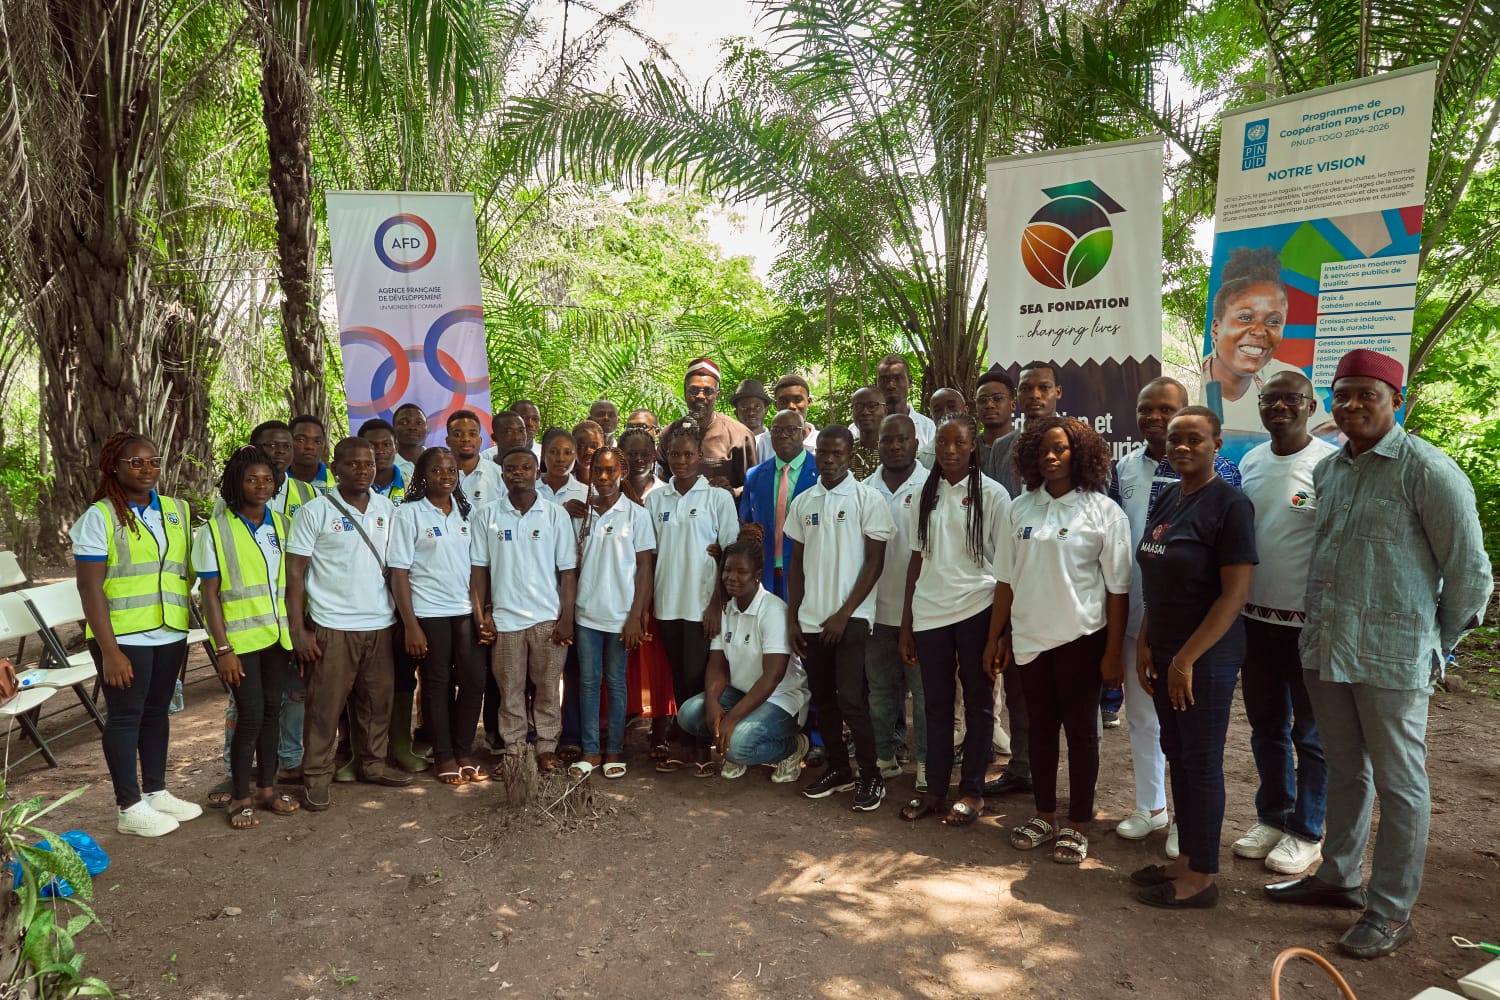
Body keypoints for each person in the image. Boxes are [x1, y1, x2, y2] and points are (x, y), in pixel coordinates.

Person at [1266, 349, 1492, 959]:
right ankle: (1338, 877)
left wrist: (1435, 644)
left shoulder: (1429, 470)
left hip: (1393, 658)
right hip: (1327, 648)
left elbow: (1471, 575)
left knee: (1400, 784)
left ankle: (1390, 910)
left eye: (1367, 394)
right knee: (1345, 769)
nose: (1352, 405)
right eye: (1342, 394)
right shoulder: (1331, 470)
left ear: (1397, 400)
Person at [985, 417, 1130, 865]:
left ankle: (1079, 823)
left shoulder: (1103, 512)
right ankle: (1044, 815)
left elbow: (1118, 590)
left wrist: (1112, 654)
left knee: (1083, 735)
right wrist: (997, 637)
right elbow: (1006, 580)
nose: (1050, 456)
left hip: (1081, 638)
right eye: (1043, 449)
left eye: (1061, 449)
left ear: (1079, 454)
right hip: (1030, 640)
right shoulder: (1020, 509)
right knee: (1041, 731)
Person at [1107, 376, 1243, 854]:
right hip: (1142, 614)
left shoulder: (1222, 475)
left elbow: (1228, 566)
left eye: (1166, 409)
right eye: (1146, 409)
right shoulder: (1124, 467)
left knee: (1191, 733)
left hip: (1198, 627)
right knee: (1143, 717)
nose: (1154, 418)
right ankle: (1151, 806)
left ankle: (1190, 822)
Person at [1131, 406, 1256, 909]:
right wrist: (1145, 641)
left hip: (1206, 657)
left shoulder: (1230, 505)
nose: (1182, 447)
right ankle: (1185, 859)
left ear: (1216, 445)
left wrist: (1185, 660)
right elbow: (1157, 577)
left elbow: (1235, 595)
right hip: (1165, 649)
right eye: (1175, 439)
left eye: (1194, 439)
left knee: (1201, 762)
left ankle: (1202, 876)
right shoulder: (1168, 497)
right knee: (1178, 755)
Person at [72, 432, 203, 837]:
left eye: (153, 461)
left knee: (157, 711)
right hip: (123, 636)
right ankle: (129, 807)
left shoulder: (176, 509)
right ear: (114, 466)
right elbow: (89, 587)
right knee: (126, 716)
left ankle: (156, 792)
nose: (147, 469)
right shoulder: (100, 517)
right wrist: (109, 651)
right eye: (136, 462)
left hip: (170, 629)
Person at [1231, 371, 1336, 875]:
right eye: (1270, 399)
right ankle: (1273, 816)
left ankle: (1307, 831)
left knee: (1311, 735)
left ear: (1311, 407)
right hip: (1255, 620)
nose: (1279, 407)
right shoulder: (1250, 462)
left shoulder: (1329, 465)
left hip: (1309, 625)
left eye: (1291, 399)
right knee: (1267, 727)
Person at [286, 437, 410, 811]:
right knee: (325, 708)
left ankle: (373, 764)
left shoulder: (387, 509)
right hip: (331, 624)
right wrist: (298, 630)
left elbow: (396, 568)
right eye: (353, 464)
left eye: (368, 463)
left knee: (377, 702)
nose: (362, 470)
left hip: (379, 622)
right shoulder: (315, 512)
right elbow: (295, 574)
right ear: (335, 467)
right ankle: (316, 777)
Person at [898, 414, 1010, 825]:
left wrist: (999, 633)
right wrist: (907, 624)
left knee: (978, 704)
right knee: (936, 705)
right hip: (930, 612)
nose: (949, 450)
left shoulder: (993, 494)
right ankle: (934, 791)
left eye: (959, 442)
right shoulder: (923, 494)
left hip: (977, 607)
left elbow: (1006, 568)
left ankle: (972, 791)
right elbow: (916, 559)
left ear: (972, 446)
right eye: (943, 443)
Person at [786, 426, 894, 810]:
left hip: (852, 617)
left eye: (837, 454)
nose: (829, 461)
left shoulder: (868, 499)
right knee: (823, 699)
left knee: (851, 699)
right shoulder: (804, 501)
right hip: (812, 619)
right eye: (824, 453)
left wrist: (844, 614)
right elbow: (795, 564)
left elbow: (875, 563)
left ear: (851, 455)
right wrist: (793, 618)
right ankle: (839, 769)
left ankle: (871, 775)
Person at [194, 446, 300, 829]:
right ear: (236, 483)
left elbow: (290, 585)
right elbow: (209, 595)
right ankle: (240, 796)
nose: (261, 486)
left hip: (277, 639)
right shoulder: (215, 531)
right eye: (252, 479)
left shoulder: (284, 525)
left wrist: (295, 635)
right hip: (238, 643)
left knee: (272, 711)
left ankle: (267, 789)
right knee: (251, 714)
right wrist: (222, 649)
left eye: (267, 479)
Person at [471, 446, 577, 776]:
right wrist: (481, 615)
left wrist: (566, 617)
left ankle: (546, 748)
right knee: (510, 692)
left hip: (547, 620)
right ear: (502, 475)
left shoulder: (555, 515)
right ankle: (515, 751)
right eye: (511, 468)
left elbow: (568, 572)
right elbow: (479, 571)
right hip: (505, 621)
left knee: (548, 689)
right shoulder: (486, 515)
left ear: (537, 472)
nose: (518, 473)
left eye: (525, 467)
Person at [389, 447, 488, 785]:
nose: (445, 476)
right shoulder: (409, 513)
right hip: (428, 612)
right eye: (436, 470)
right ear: (422, 475)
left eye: (451, 470)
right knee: (437, 683)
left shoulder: (467, 513)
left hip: (465, 610)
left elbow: (477, 568)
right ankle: (444, 755)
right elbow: (399, 573)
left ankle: (464, 750)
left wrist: (480, 614)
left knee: (474, 680)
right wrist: (410, 625)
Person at [675, 538, 812, 783]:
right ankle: (736, 740)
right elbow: (717, 665)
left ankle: (793, 746)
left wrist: (732, 718)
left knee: (737, 746)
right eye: (727, 570)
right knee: (688, 714)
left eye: (741, 571)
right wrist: (713, 704)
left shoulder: (772, 611)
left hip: (780, 699)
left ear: (757, 575)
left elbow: (772, 677)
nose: (731, 577)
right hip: (742, 692)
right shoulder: (727, 609)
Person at [648, 419, 740, 773]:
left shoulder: (717, 498)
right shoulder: (656, 499)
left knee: (698, 675)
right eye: (674, 454)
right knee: (678, 674)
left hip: (703, 604)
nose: (681, 461)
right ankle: (687, 740)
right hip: (667, 602)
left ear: (700, 455)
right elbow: (650, 554)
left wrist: (717, 603)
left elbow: (729, 554)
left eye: (688, 454)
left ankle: (700, 744)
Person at [571, 446, 656, 779]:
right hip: (586, 614)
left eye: (610, 471)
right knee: (589, 682)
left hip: (621, 616)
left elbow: (645, 567)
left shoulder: (636, 515)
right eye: (598, 471)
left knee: (616, 682)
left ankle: (615, 750)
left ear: (622, 472)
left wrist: (636, 615)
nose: (603, 477)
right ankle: (590, 750)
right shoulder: (582, 514)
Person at [865, 413, 929, 788]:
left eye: (902, 439)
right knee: (880, 693)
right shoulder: (864, 489)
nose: (894, 446)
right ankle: (884, 758)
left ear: (915, 444)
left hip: (923, 612)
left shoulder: (932, 486)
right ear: (878, 446)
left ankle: (925, 764)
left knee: (923, 694)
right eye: (887, 440)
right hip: (876, 610)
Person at [1202, 246, 1326, 433]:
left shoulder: (1287, 379)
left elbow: (1324, 434)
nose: (1260, 331)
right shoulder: (1194, 383)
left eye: (1273, 321)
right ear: (1216, 327)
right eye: (1245, 317)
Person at [739, 409, 818, 599]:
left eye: (791, 429)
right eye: (777, 430)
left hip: (807, 570)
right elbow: (745, 525)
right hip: (765, 572)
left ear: (803, 433)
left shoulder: (820, 473)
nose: (783, 435)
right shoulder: (755, 475)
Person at [665, 357, 757, 491]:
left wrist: (730, 492)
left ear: (717, 395)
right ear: (685, 392)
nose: (700, 396)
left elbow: (753, 487)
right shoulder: (669, 434)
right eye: (694, 390)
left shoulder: (740, 436)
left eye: (708, 391)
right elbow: (662, 484)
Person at [982, 363, 1060, 498]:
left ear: (1058, 392)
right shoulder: (1000, 446)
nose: (1035, 395)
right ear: (1016, 394)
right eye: (1025, 389)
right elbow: (993, 500)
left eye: (1044, 388)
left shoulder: (1078, 440)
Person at [870, 353, 936, 447]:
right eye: (884, 379)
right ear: (875, 383)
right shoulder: (860, 428)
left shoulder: (928, 427)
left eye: (897, 379)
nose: (891, 385)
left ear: (910, 382)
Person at [447, 410, 504, 508]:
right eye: (457, 434)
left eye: (472, 434)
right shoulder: (438, 476)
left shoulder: (499, 474)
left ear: (480, 440)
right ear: (448, 441)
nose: (466, 439)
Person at [758, 375, 817, 462]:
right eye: (783, 402)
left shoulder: (822, 442)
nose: (791, 406)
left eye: (797, 400)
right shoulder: (762, 443)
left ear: (808, 402)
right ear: (776, 405)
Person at [916, 387, 968, 470]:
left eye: (951, 407)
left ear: (965, 411)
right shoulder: (923, 457)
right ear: (931, 416)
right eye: (938, 410)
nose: (945, 413)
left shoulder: (978, 450)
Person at [974, 366, 1016, 465]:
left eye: (997, 398)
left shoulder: (1026, 446)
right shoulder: (968, 448)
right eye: (982, 400)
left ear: (1013, 405)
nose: (989, 405)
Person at [359, 418, 407, 504]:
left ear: (396, 447)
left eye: (386, 444)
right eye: (372, 446)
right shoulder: (351, 487)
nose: (380, 451)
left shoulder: (412, 485)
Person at [849, 386, 886, 480]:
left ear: (885, 411)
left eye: (872, 406)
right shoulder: (846, 452)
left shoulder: (894, 451)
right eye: (858, 406)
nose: (865, 412)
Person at [289, 414, 331, 494]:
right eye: (301, 440)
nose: (309, 446)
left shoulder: (339, 481)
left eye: (317, 441)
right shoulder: (275, 480)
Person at [731, 378, 772, 451]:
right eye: (744, 407)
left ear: (766, 411)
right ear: (736, 413)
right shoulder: (728, 443)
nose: (751, 413)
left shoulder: (776, 443)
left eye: (757, 407)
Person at [392, 402, 428, 478]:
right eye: (404, 422)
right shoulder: (386, 466)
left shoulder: (438, 460)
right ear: (393, 429)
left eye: (418, 422)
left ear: (426, 428)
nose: (412, 427)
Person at [573, 418, 605, 487]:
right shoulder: (562, 480)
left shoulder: (612, 482)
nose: (588, 451)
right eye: (581, 446)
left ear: (602, 447)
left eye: (594, 446)